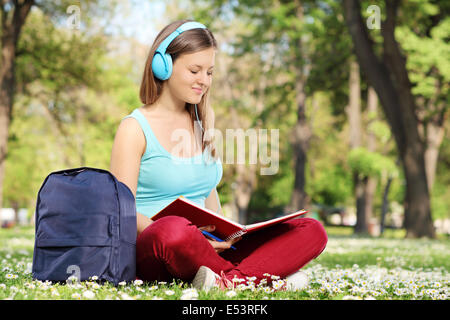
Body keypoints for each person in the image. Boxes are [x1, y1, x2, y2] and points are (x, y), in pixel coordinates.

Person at [109, 19, 328, 291]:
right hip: (160, 246)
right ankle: (260, 281)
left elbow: (208, 195)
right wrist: (193, 238)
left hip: (208, 248)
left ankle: (224, 281)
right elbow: (120, 211)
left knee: (310, 230)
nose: (204, 81)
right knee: (173, 229)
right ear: (162, 66)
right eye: (194, 70)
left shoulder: (203, 121)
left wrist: (229, 234)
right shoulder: (134, 128)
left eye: (210, 72)